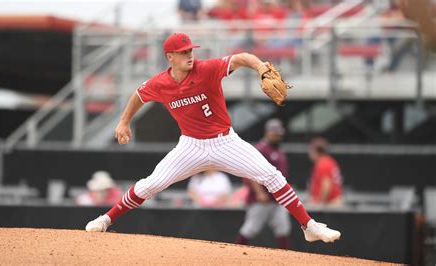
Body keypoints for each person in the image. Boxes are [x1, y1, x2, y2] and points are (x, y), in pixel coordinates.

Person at [85, 32, 341, 243]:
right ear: (170, 57)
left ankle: (309, 226)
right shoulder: (160, 83)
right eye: (183, 52)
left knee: (272, 176)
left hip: (225, 142)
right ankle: (106, 219)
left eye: (190, 50)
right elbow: (139, 95)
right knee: (150, 184)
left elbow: (241, 57)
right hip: (191, 146)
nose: (189, 55)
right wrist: (123, 121)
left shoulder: (206, 69)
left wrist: (261, 67)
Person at [235, 118, 291, 249]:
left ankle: (288, 259)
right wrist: (259, 192)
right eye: (274, 132)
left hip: (277, 199)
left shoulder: (279, 150)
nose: (277, 135)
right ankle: (235, 253)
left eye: (279, 133)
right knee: (251, 228)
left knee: (283, 228)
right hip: (260, 199)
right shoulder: (261, 149)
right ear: (267, 132)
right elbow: (250, 172)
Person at [307, 137, 344, 208]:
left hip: (331, 204)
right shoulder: (328, 161)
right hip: (332, 202)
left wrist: (320, 204)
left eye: (311, 150)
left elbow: (326, 186)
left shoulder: (323, 163)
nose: (309, 153)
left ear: (317, 151)